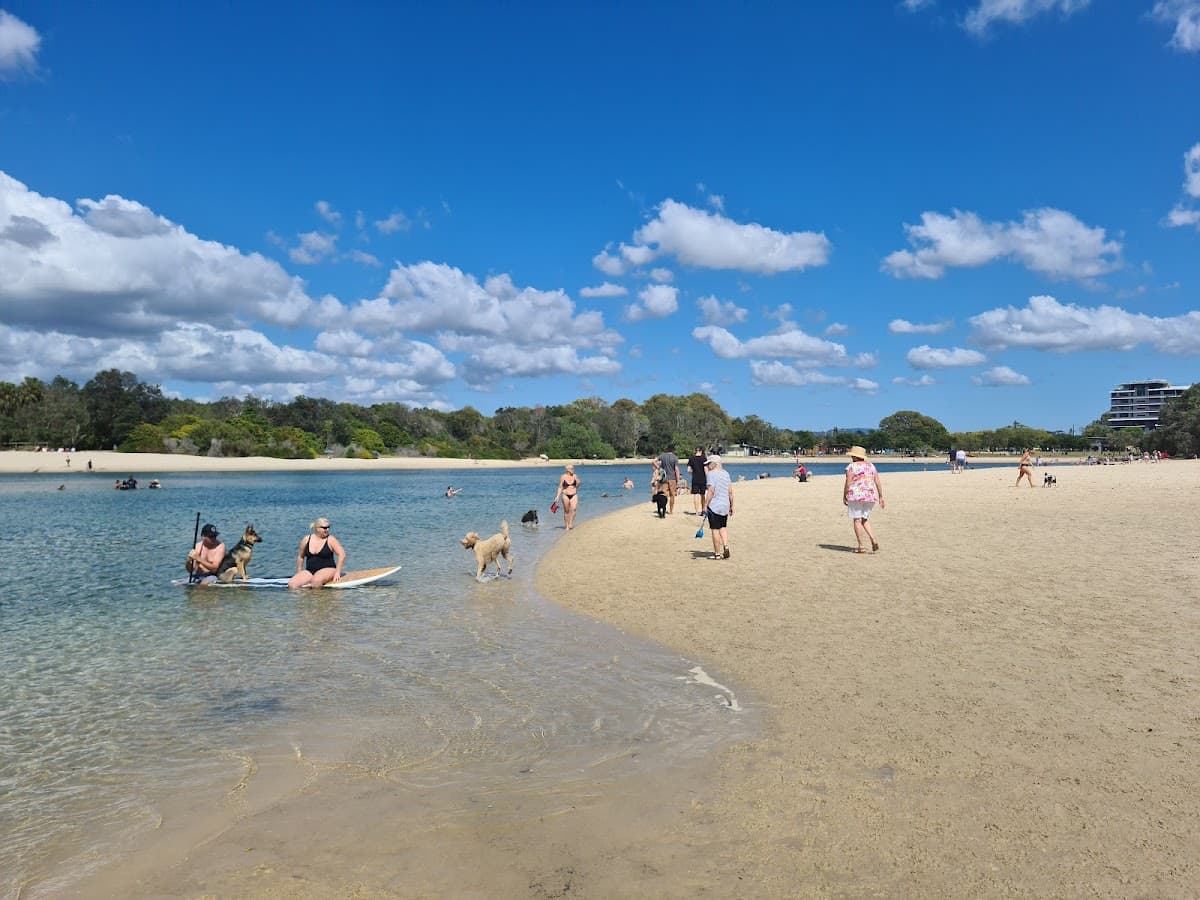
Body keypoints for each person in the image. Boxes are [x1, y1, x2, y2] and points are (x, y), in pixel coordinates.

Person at [843, 445, 885, 554]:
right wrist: (881, 496)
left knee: (857, 520)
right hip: (870, 495)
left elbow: (848, 482)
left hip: (856, 495)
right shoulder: (871, 466)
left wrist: (844, 495)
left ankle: (861, 546)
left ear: (855, 457)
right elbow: (877, 481)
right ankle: (873, 539)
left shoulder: (851, 466)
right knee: (864, 519)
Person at [288, 517, 346, 588]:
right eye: (324, 528)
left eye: (328, 527)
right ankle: (306, 598)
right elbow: (300, 557)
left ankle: (319, 598)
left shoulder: (331, 539)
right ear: (317, 528)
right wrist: (299, 572)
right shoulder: (306, 540)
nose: (327, 530)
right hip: (310, 571)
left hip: (328, 569)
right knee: (292, 584)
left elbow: (342, 554)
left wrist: (337, 572)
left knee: (316, 581)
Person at [703, 455, 733, 559]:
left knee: (715, 529)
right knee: (723, 527)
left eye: (709, 463)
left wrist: (705, 505)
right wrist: (731, 505)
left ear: (714, 464)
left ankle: (717, 554)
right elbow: (730, 492)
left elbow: (711, 491)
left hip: (714, 505)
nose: (708, 466)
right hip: (725, 505)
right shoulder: (726, 474)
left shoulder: (711, 474)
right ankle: (726, 546)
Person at [553, 464, 581, 530]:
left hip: (574, 494)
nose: (573, 470)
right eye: (572, 469)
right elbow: (560, 487)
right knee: (566, 511)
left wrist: (579, 483)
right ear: (568, 470)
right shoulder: (563, 477)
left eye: (573, 468)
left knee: (574, 509)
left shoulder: (575, 476)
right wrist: (557, 497)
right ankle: (567, 526)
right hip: (565, 495)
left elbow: (577, 486)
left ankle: (571, 523)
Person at [658, 448, 681, 515]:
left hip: (664, 478)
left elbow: (654, 461)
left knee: (663, 494)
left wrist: (658, 468)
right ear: (673, 450)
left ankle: (662, 508)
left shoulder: (662, 456)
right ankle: (671, 511)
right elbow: (676, 469)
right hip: (672, 478)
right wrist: (678, 479)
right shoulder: (675, 457)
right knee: (672, 495)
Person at [686, 446, 708, 514]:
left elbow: (688, 470)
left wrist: (693, 471)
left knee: (695, 495)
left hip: (695, 478)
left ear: (696, 451)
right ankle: (703, 510)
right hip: (702, 479)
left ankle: (696, 512)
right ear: (701, 451)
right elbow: (706, 470)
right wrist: (708, 478)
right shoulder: (704, 458)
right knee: (702, 495)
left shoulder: (691, 458)